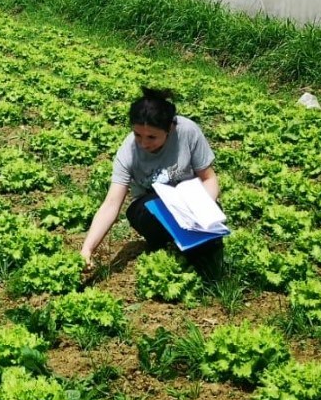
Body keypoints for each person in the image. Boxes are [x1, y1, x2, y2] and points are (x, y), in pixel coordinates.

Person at [81, 87, 220, 270]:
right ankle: (167, 246)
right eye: (138, 135)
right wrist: (87, 249)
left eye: (152, 137)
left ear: (170, 128)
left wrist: (201, 208)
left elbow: (209, 179)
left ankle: (191, 247)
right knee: (153, 210)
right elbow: (111, 204)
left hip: (189, 201)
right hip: (151, 209)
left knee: (210, 249)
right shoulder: (128, 152)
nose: (144, 143)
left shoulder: (187, 132)